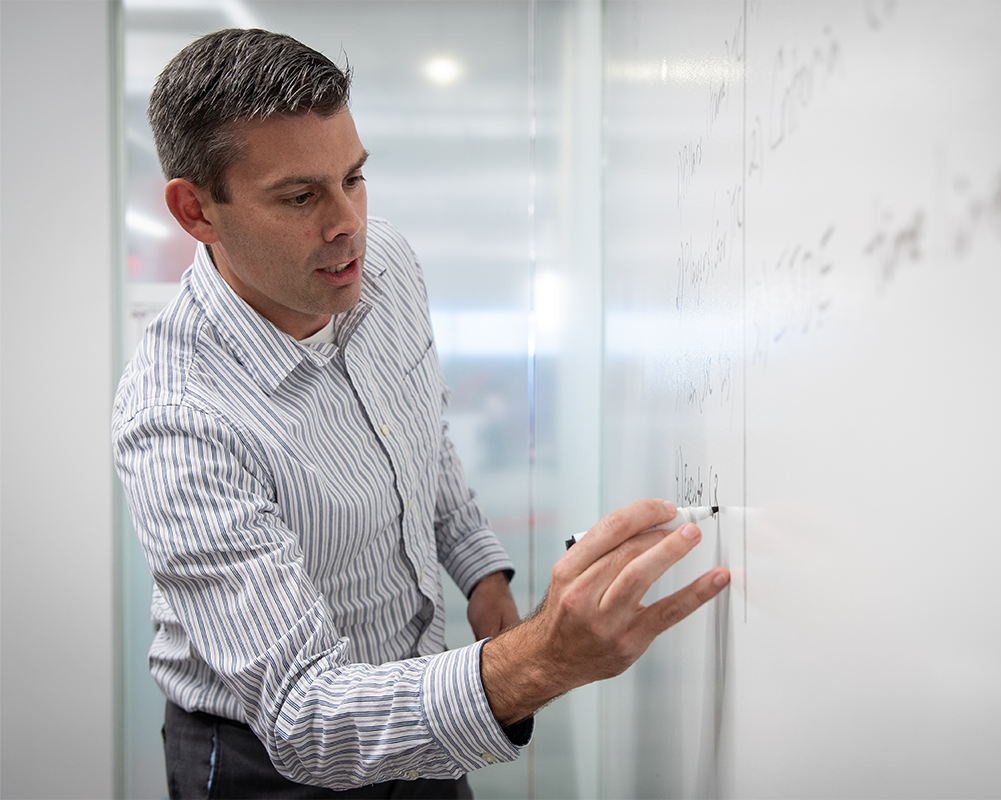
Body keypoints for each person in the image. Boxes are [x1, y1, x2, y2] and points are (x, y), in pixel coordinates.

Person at [113, 27, 730, 799]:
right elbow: (306, 718)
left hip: (424, 706)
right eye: (301, 197)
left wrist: (479, 572)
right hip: (268, 761)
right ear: (195, 211)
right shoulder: (176, 421)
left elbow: (419, 438)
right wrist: (539, 659)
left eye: (355, 177)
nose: (348, 224)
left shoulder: (385, 267)